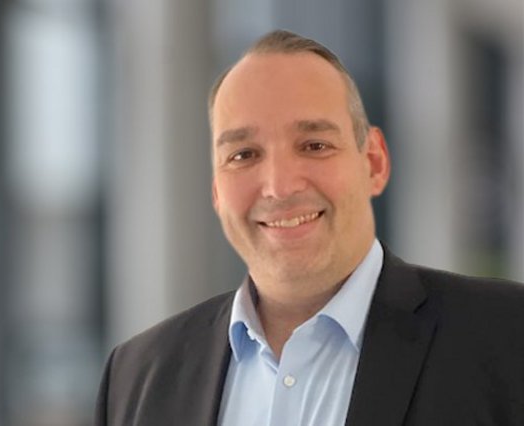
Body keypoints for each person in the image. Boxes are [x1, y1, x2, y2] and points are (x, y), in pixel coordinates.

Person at [95, 30, 524, 426]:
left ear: (374, 162)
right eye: (243, 155)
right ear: (217, 191)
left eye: (315, 145)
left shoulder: (507, 337)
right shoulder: (135, 378)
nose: (280, 187)